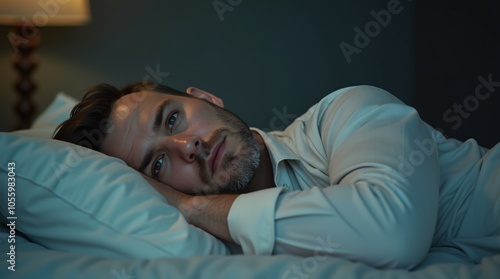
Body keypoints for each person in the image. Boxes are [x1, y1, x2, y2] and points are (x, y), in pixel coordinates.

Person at [54, 82, 500, 270]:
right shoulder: (213, 250)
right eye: (157, 164)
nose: (186, 146)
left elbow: (393, 232)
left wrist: (192, 205)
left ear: (204, 96)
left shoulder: (347, 111)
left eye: (171, 120)